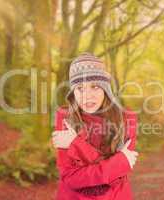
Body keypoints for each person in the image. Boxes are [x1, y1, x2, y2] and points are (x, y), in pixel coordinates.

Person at [52, 52, 139, 200]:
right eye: (80, 88)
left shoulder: (126, 119)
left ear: (106, 89)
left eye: (95, 87)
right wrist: (118, 162)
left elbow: (118, 177)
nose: (87, 96)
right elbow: (71, 178)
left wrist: (75, 143)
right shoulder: (66, 118)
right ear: (73, 91)